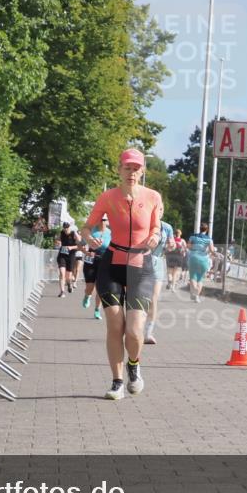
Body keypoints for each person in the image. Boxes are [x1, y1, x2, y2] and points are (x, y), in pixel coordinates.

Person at [80, 149, 163, 400]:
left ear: (142, 171)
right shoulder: (108, 197)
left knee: (135, 331)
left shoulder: (152, 197)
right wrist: (89, 237)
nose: (132, 172)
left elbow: (156, 228)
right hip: (112, 263)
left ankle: (134, 366)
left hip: (140, 265)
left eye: (136, 168)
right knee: (115, 325)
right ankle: (117, 382)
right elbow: (86, 226)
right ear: (119, 169)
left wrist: (154, 238)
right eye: (127, 168)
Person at [145, 220, 175, 345]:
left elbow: (171, 245)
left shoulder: (167, 227)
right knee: (137, 298)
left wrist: (172, 245)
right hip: (139, 260)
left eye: (160, 209)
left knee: (153, 298)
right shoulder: (143, 221)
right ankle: (133, 327)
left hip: (157, 262)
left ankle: (148, 333)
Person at [82, 214, 111, 319]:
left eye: (104, 220)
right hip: (91, 261)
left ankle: (97, 309)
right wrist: (86, 252)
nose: (102, 222)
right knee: (90, 287)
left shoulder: (111, 233)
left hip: (104, 262)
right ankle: (87, 296)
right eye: (101, 219)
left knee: (100, 288)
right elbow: (80, 244)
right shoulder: (91, 231)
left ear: (107, 221)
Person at [187, 223, 215, 302]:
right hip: (204, 260)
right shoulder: (209, 239)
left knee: (193, 277)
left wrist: (194, 248)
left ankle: (194, 291)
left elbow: (188, 246)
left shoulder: (192, 236)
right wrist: (216, 254)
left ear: (200, 228)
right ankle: (196, 296)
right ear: (207, 230)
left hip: (193, 258)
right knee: (200, 279)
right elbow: (212, 250)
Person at [55, 222, 79, 297]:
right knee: (62, 273)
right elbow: (56, 240)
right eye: (64, 227)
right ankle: (62, 292)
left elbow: (80, 246)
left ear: (70, 227)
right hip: (62, 255)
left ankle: (69, 284)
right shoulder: (61, 233)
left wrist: (71, 247)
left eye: (67, 227)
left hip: (71, 256)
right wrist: (57, 243)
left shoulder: (74, 234)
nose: (65, 229)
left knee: (68, 276)